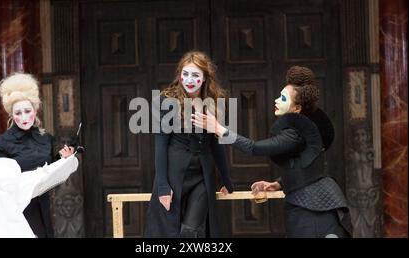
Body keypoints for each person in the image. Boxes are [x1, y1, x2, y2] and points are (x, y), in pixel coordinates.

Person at [192, 66, 353, 238]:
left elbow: (254, 148)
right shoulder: (298, 131)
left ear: (296, 108)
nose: (276, 100)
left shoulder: (295, 134)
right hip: (306, 204)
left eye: (283, 98)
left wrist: (218, 128)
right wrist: (277, 184)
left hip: (316, 207)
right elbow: (302, 165)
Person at [144, 51, 233, 238]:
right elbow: (160, 144)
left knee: (191, 231)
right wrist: (162, 185)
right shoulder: (167, 101)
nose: (189, 80)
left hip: (202, 176)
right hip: (174, 174)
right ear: (179, 75)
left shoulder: (213, 102)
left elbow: (217, 144)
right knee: (168, 231)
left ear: (204, 78)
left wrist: (226, 179)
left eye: (195, 75)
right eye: (185, 74)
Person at [0, 73, 75, 238]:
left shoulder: (45, 139)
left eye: (27, 111)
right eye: (18, 113)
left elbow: (50, 169)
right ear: (11, 116)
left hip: (43, 204)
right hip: (16, 208)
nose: (24, 117)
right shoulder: (2, 144)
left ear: (35, 110)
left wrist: (63, 158)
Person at [0, 154, 79, 237]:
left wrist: (67, 160)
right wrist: (68, 161)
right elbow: (42, 176)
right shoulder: (10, 188)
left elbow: (41, 176)